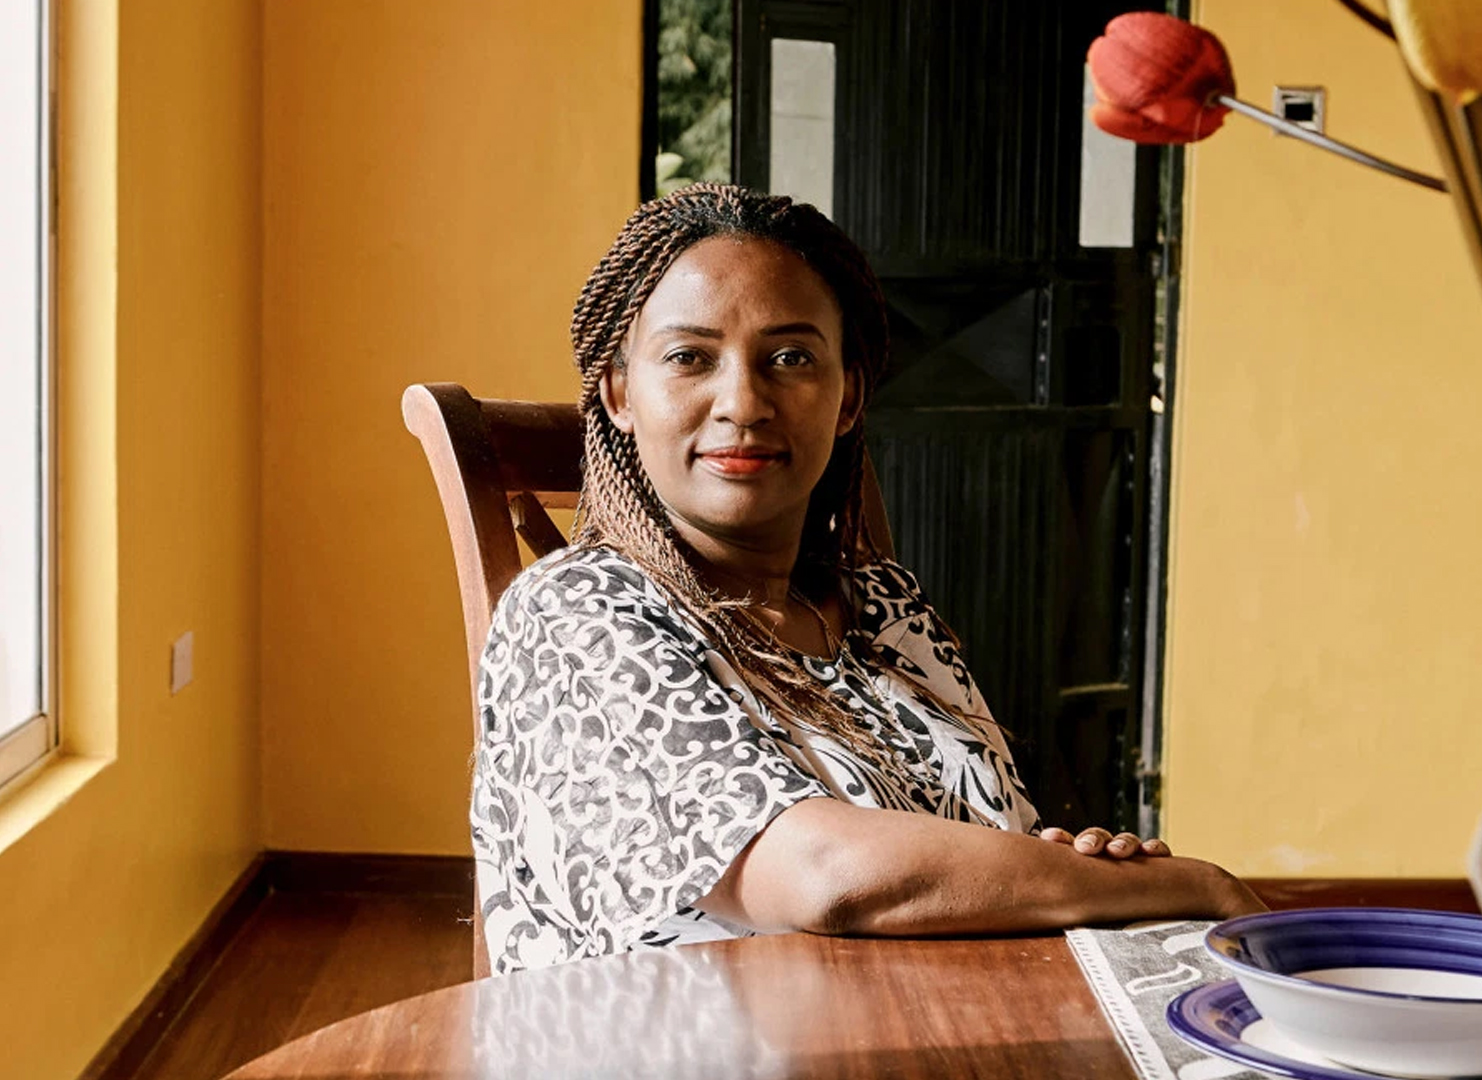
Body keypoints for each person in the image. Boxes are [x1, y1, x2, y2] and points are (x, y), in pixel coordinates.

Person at [470, 184, 1263, 974]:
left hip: (947, 1026)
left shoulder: (885, 609)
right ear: (619, 393)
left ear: (848, 394)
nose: (743, 402)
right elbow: (827, 877)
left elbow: (1002, 845)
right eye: (688, 358)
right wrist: (1195, 886)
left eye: (790, 358)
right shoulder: (574, 617)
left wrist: (1071, 869)